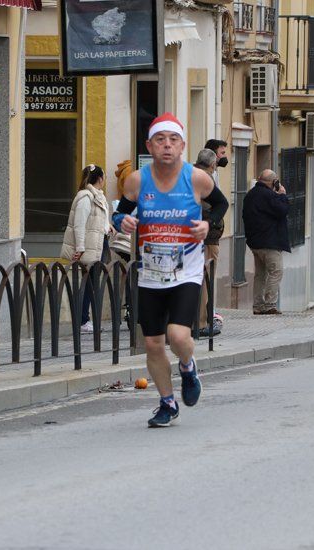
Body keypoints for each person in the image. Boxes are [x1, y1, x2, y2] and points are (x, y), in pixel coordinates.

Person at [114, 113, 229, 427]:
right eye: (160, 140)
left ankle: (188, 366)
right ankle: (167, 402)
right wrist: (120, 222)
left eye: (173, 140)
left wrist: (208, 223)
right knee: (152, 343)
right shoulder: (138, 180)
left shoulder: (196, 179)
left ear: (182, 146)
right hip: (150, 273)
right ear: (150, 146)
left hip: (186, 271)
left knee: (177, 335)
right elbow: (118, 212)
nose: (167, 146)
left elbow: (220, 204)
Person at [60, 164, 111, 334]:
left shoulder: (97, 196)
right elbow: (79, 225)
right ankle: (82, 321)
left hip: (97, 244)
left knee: (92, 284)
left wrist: (107, 227)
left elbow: (97, 220)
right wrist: (80, 247)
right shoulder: (86, 197)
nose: (105, 179)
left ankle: (85, 320)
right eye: (104, 176)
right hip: (89, 247)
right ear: (100, 178)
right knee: (88, 284)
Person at [243, 169, 289, 315]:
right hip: (270, 242)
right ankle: (270, 304)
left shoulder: (250, 195)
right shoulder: (269, 196)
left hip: (254, 243)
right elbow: (283, 210)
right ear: (274, 182)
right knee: (276, 272)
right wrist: (282, 196)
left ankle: (257, 305)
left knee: (260, 274)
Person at [194, 149, 224, 337]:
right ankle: (201, 322)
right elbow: (214, 205)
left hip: (199, 236)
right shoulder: (205, 180)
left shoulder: (190, 174)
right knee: (205, 279)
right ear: (212, 165)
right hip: (207, 238)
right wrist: (212, 221)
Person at [110, 160, 135, 324]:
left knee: (131, 273)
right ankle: (131, 309)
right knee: (133, 273)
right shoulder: (131, 172)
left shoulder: (128, 170)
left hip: (126, 235)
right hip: (130, 235)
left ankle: (130, 308)